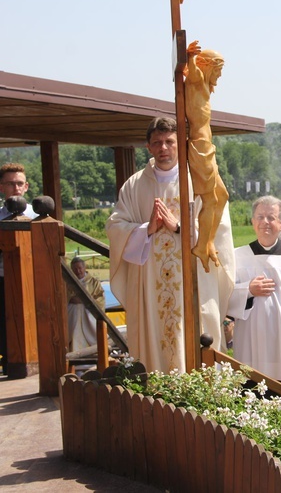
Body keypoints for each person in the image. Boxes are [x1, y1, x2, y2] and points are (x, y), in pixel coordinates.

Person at [106, 117, 235, 373]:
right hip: (150, 286)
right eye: (157, 143)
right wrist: (146, 229)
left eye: (169, 142)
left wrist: (179, 227)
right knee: (153, 348)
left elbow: (218, 233)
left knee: (195, 343)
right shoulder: (134, 185)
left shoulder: (201, 182)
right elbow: (115, 228)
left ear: (181, 144)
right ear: (148, 147)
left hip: (192, 282)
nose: (163, 148)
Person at [226, 196, 281, 387]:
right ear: (252, 222)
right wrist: (247, 290)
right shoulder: (237, 256)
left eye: (271, 218)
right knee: (251, 386)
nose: (265, 222)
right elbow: (224, 296)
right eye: (260, 217)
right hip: (250, 336)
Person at [184, 40, 228, 272]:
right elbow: (192, 75)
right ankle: (201, 246)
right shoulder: (197, 80)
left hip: (206, 146)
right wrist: (190, 56)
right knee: (211, 200)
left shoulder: (203, 86)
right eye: (218, 71)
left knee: (222, 195)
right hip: (200, 147)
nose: (219, 77)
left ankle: (208, 241)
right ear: (208, 67)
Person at [0, 163, 37, 375]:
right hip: (3, 280)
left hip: (33, 279)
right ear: (1, 187)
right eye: (10, 183)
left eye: (20, 183)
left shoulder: (38, 217)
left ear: (27, 186)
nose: (16, 188)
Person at [66, 257, 105, 351]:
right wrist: (70, 299)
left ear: (84, 267)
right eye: (75, 269)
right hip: (72, 313)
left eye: (80, 268)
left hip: (89, 313)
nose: (78, 271)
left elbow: (100, 298)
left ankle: (95, 350)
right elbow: (65, 297)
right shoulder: (67, 283)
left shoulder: (94, 282)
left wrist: (86, 301)